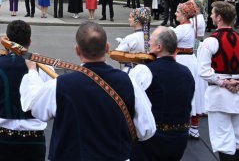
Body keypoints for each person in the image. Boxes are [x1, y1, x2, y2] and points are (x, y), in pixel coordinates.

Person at [20, 22, 155, 160]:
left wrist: (32, 72)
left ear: (77, 50)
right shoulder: (129, 82)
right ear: (107, 47)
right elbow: (147, 129)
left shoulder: (60, 85)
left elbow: (34, 107)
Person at [0, 20, 51, 160]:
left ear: (7, 41)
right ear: (30, 41)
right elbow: (51, 103)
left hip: (4, 138)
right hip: (34, 140)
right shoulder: (43, 67)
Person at [196, 1, 239, 161]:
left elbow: (203, 70)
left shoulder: (210, 42)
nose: (211, 16)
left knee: (222, 137)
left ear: (218, 17)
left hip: (219, 95)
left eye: (212, 13)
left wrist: (224, 82)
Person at [129, 26, 195, 161]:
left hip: (152, 140)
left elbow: (130, 101)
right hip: (180, 138)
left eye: (151, 40)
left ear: (159, 47)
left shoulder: (144, 71)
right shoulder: (187, 72)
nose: (148, 43)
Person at [174, 1, 206, 139]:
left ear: (184, 15)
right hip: (191, 59)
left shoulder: (182, 29)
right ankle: (194, 127)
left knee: (183, 92)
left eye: (178, 12)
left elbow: (167, 41)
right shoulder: (191, 26)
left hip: (183, 61)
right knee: (195, 91)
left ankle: (184, 126)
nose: (175, 13)